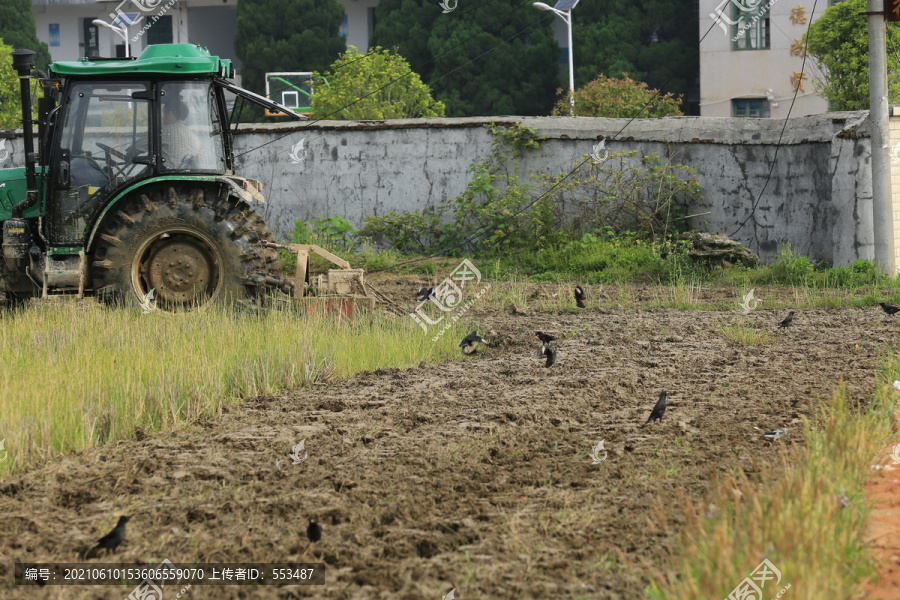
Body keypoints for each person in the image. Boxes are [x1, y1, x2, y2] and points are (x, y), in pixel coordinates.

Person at [161, 97, 201, 169]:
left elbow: (138, 146)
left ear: (170, 113)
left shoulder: (165, 131)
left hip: (169, 178)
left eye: (164, 114)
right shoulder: (196, 138)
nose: (163, 118)